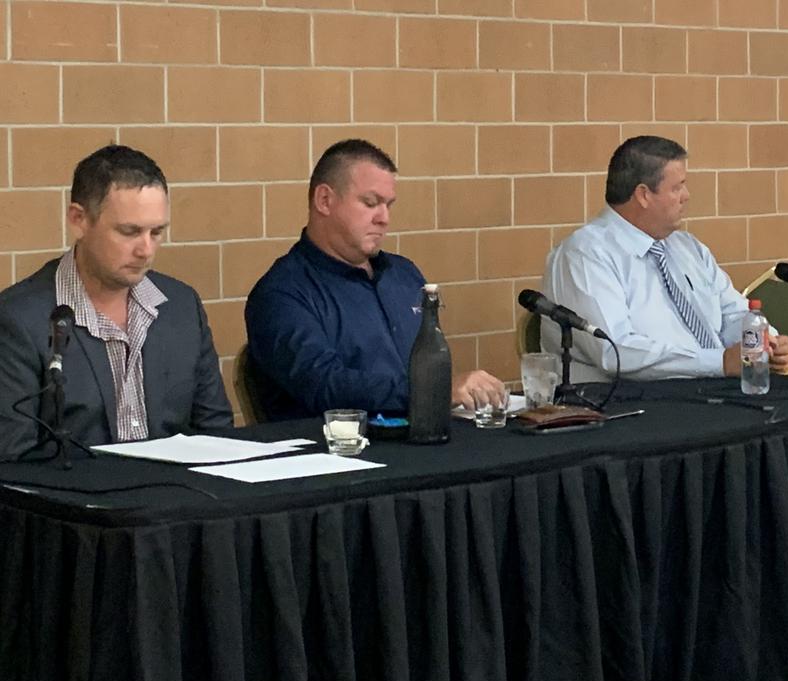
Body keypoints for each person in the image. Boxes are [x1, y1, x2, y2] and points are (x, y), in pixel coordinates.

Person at [245, 139, 505, 421]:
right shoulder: (282, 293)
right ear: (324, 200)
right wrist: (431, 391)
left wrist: (447, 390)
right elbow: (325, 385)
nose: (384, 218)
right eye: (370, 203)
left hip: (422, 437)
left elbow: (431, 361)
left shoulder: (404, 275)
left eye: (389, 205)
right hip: (339, 451)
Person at [0, 145, 231, 460]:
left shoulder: (181, 306)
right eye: (129, 232)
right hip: (75, 504)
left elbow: (216, 433)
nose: (146, 250)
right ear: (78, 220)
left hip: (177, 501)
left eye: (157, 232)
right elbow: (14, 458)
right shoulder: (19, 319)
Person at [541, 135, 788, 383]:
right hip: (626, 404)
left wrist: (767, 344)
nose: (686, 195)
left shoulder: (688, 248)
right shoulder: (585, 254)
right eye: (677, 187)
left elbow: (732, 313)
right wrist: (718, 362)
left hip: (708, 391)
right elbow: (614, 351)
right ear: (643, 195)